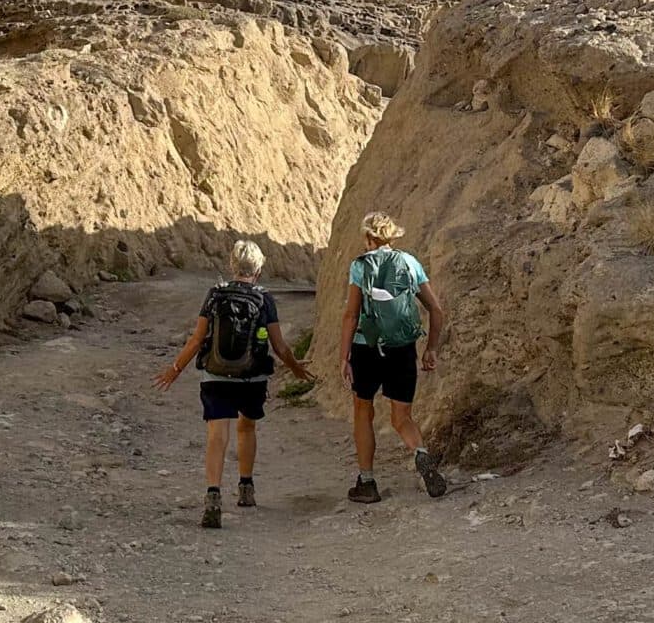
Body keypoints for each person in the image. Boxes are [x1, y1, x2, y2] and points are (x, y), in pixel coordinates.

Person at [154, 240, 315, 528]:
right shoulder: (264, 299)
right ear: (260, 268)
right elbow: (279, 346)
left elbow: (196, 339)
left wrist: (174, 369)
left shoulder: (215, 294)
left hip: (216, 375)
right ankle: (245, 488)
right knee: (247, 426)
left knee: (217, 434)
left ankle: (213, 495)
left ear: (232, 265)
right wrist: (295, 368)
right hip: (252, 377)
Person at [336, 211, 447, 503]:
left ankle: (367, 483)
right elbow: (436, 310)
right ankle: (421, 455)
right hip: (401, 348)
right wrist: (431, 349)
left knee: (363, 410)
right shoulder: (409, 263)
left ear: (369, 237)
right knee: (402, 417)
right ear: (391, 236)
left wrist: (343, 355)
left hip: (366, 347)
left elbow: (351, 314)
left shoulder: (360, 267)